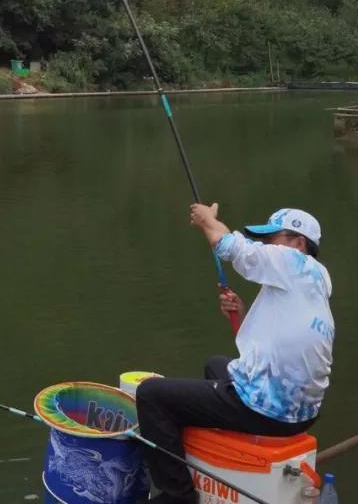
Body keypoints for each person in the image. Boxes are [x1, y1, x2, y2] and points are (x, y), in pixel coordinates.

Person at [135, 205, 334, 504]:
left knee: (150, 395)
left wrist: (208, 221)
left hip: (267, 411)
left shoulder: (295, 263)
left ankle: (179, 495)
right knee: (216, 365)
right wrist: (240, 315)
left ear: (299, 243)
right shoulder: (313, 284)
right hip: (302, 414)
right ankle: (221, 458)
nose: (267, 246)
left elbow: (231, 246)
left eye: (273, 239)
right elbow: (275, 345)